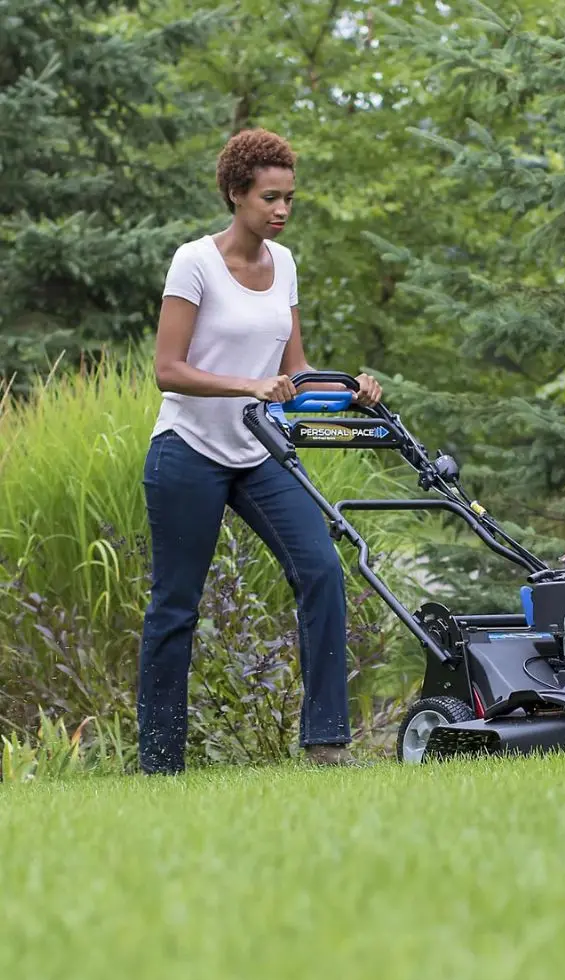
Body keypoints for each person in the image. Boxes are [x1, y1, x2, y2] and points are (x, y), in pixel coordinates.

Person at [138, 127, 382, 774]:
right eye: (269, 197)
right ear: (235, 193)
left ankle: (326, 743)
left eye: (289, 198)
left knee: (323, 570)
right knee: (175, 608)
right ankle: (160, 763)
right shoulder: (194, 262)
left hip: (258, 453)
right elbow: (168, 368)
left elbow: (294, 374)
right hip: (188, 451)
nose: (281, 210)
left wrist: (348, 389)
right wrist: (249, 383)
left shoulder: (287, 265)